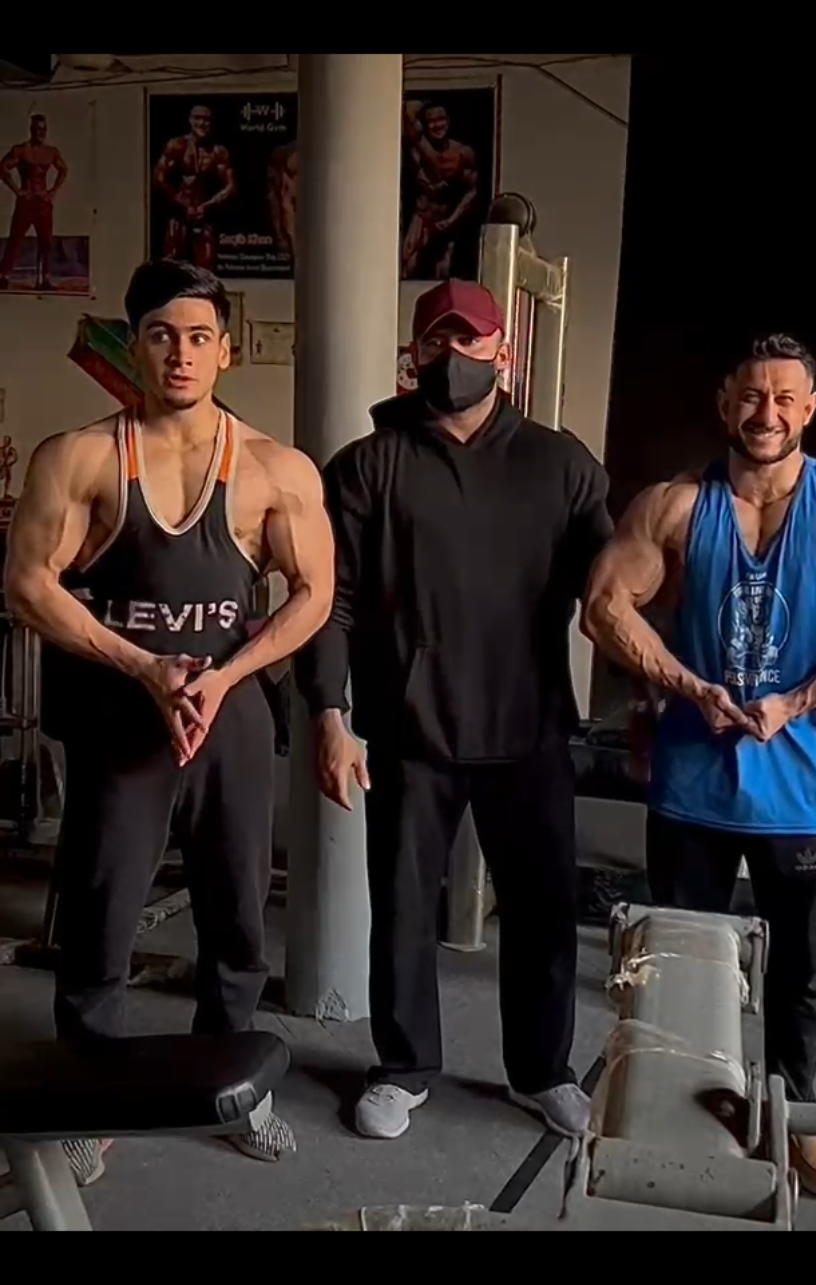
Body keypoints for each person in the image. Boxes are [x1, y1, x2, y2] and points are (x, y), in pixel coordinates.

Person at [4, 258, 334, 1183]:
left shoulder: (274, 468)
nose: (180, 354)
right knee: (102, 910)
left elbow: (314, 593)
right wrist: (144, 665)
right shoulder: (79, 457)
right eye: (160, 335)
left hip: (226, 715)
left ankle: (233, 1088)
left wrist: (226, 675)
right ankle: (90, 1097)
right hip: (122, 714)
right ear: (134, 346)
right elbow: (26, 585)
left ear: (226, 351)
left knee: (237, 911)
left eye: (197, 337)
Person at [581, 333, 816, 1199]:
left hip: (800, 788)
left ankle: (790, 1118)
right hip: (691, 783)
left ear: (809, 408)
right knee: (676, 965)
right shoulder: (673, 505)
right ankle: (674, 1113)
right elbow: (603, 606)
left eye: (783, 398)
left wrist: (796, 701)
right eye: (749, 395)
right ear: (723, 402)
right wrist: (685, 684)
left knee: (799, 976)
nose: (764, 413)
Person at [294, 279, 613, 1142]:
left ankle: (542, 1071)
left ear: (502, 353)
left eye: (468, 342)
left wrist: (667, 684)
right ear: (413, 354)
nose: (452, 357)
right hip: (411, 729)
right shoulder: (368, 465)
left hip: (529, 727)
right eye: (435, 341)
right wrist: (328, 711)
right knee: (403, 908)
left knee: (543, 911)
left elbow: (617, 589)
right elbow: (329, 601)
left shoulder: (560, 464)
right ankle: (403, 1067)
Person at [401, 102, 478, 281]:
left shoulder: (462, 153)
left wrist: (452, 219)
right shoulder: (418, 148)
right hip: (422, 216)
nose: (437, 125)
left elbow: (472, 191)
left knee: (443, 272)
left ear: (448, 121)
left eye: (441, 119)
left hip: (448, 219)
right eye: (431, 121)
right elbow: (407, 111)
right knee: (408, 267)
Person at [153, 105, 237, 270]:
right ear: (190, 121)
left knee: (206, 267)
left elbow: (231, 186)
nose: (202, 123)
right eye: (198, 118)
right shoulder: (178, 145)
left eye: (206, 119)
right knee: (171, 264)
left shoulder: (218, 152)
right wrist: (182, 204)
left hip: (205, 215)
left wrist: (206, 206)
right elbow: (159, 178)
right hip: (179, 213)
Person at [0, 114, 69, 291]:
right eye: (38, 129)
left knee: (46, 241)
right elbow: (2, 168)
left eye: (43, 130)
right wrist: (17, 191)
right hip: (27, 201)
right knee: (15, 240)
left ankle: (44, 279)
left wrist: (53, 191)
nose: (41, 133)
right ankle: (3, 276)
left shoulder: (50, 152)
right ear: (31, 130)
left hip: (42, 202)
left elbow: (63, 170)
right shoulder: (22, 150)